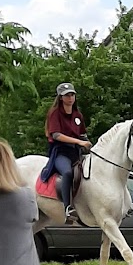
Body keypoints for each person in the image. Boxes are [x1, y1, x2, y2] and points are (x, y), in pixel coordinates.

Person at [43, 82, 91, 219]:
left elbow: (82, 134)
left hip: (76, 152)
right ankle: (67, 208)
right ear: (60, 98)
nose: (70, 98)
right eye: (67, 95)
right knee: (68, 172)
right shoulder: (55, 114)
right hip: (60, 153)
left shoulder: (77, 115)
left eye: (72, 95)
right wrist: (78, 141)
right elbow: (56, 135)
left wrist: (88, 143)